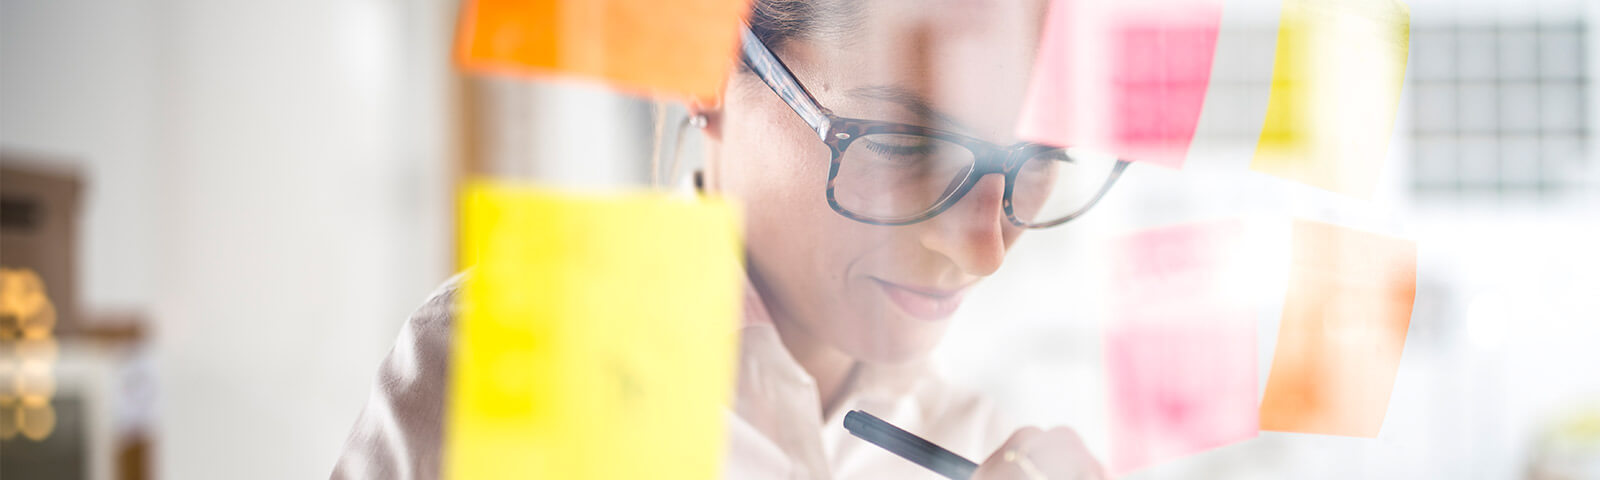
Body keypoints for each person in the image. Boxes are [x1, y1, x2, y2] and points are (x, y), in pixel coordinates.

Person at [332, 0, 1128, 478]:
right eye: (899, 145)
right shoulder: (513, 369)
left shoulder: (975, 438)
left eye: (1036, 163)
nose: (984, 250)